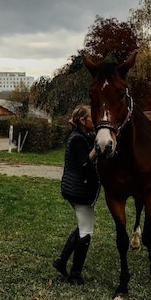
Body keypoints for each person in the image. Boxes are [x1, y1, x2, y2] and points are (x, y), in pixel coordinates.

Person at [54, 105, 99, 285]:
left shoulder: (83, 136)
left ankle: (61, 262)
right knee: (86, 230)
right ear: (83, 121)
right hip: (79, 191)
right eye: (92, 118)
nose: (94, 122)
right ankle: (75, 274)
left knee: (82, 227)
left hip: (78, 189)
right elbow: (84, 164)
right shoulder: (77, 140)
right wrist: (98, 147)